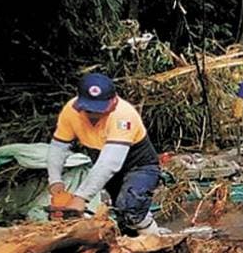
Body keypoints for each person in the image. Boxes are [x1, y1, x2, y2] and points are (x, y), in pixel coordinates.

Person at [47, 73, 162, 235]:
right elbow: (58, 147)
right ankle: (128, 248)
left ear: (114, 101)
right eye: (89, 109)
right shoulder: (70, 111)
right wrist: (55, 180)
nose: (94, 114)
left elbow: (110, 162)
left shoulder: (124, 115)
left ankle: (157, 242)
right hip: (105, 165)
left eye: (99, 109)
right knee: (122, 216)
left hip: (138, 165)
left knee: (131, 207)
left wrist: (81, 198)